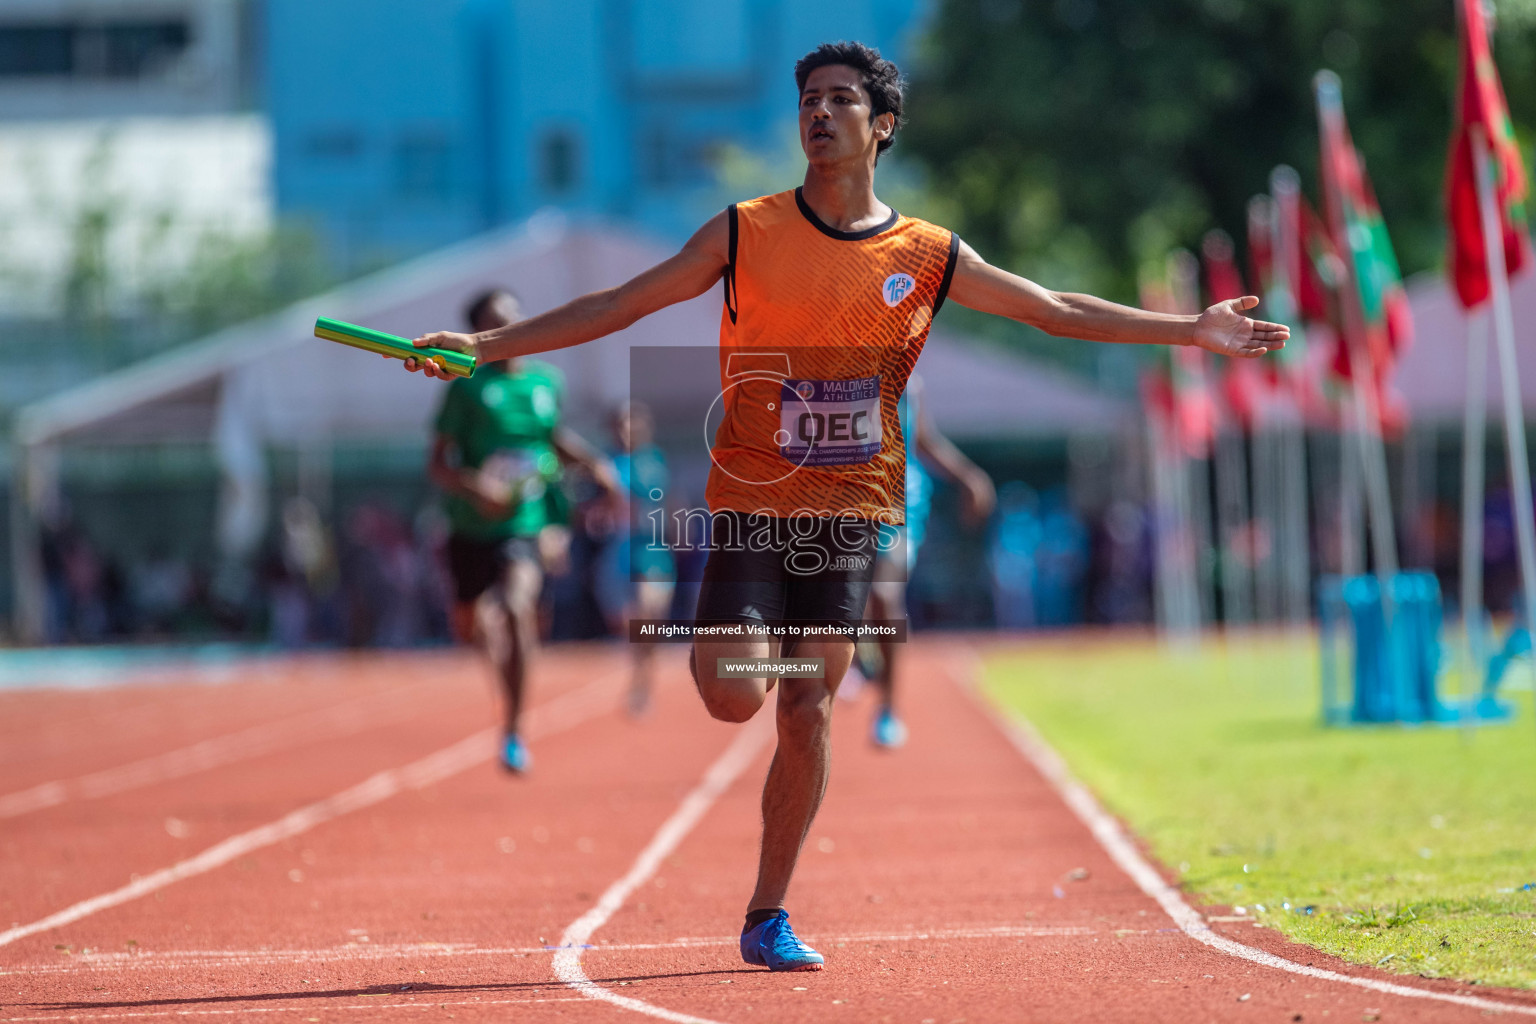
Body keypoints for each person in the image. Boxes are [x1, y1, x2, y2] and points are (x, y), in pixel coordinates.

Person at [403, 43, 1286, 969]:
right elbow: (622, 303)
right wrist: (481, 344)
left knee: (809, 707)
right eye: (808, 101)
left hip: (852, 512)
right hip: (750, 504)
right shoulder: (744, 231)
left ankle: (766, 915)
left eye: (839, 100)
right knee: (735, 695)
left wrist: (1190, 329)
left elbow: (1053, 309)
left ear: (882, 125)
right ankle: (763, 666)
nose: (818, 114)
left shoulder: (928, 254)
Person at [427, 288, 620, 774]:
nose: (510, 331)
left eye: (515, 319)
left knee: (517, 606)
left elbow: (552, 438)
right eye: (496, 322)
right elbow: (438, 465)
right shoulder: (464, 385)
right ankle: (503, 681)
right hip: (472, 524)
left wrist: (595, 464)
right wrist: (478, 490)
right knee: (471, 625)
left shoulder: (545, 382)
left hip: (527, 521)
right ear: (479, 332)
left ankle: (513, 729)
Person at [853, 373, 995, 749]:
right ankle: (862, 651)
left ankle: (888, 709)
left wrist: (969, 476)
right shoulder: (832, 360)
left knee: (884, 593)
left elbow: (924, 439)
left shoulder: (910, 378)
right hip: (845, 497)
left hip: (901, 501)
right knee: (847, 596)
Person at [591, 400, 676, 716]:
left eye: (632, 423)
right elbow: (590, 506)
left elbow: (669, 500)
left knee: (649, 615)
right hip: (617, 552)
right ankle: (640, 666)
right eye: (621, 424)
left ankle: (642, 686)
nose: (627, 430)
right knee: (628, 625)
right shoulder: (604, 462)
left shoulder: (654, 460)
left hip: (652, 549)